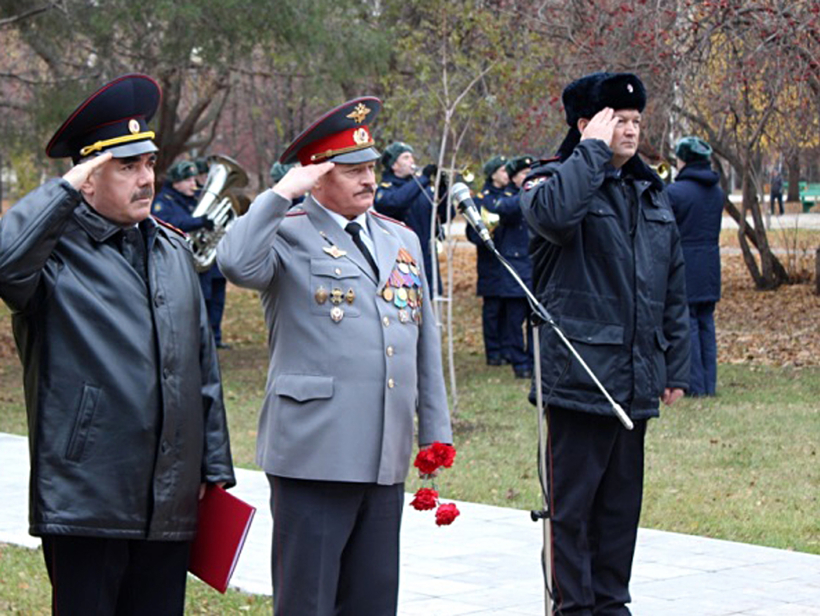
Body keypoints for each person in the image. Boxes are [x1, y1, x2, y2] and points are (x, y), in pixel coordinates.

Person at [0, 73, 235, 615]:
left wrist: (214, 468)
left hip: (170, 498)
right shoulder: (53, 253)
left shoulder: (171, 250)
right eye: (126, 166)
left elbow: (200, 362)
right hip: (89, 497)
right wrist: (64, 188)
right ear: (87, 177)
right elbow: (5, 266)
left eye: (149, 163)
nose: (145, 178)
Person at [217, 97, 452, 616]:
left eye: (369, 167)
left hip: (382, 455)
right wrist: (279, 194)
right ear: (315, 177)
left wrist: (435, 432)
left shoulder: (400, 238)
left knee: (372, 602)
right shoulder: (286, 233)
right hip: (314, 456)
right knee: (308, 602)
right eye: (351, 171)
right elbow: (233, 262)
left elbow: (421, 339)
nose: (368, 180)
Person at [520, 72, 690, 615]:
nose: (632, 130)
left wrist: (675, 367)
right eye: (619, 119)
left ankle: (613, 605)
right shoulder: (552, 183)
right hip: (578, 381)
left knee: (619, 513)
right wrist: (589, 152)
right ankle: (572, 609)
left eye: (637, 120)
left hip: (634, 381)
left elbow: (673, 287)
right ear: (587, 124)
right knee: (571, 514)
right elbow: (554, 219)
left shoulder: (651, 192)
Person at [667, 136, 724, 397]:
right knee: (706, 325)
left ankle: (695, 386)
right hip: (711, 265)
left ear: (684, 160)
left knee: (687, 325)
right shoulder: (717, 192)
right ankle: (709, 385)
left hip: (684, 266)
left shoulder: (675, 193)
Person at [152, 161, 230, 348]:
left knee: (217, 301)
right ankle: (198, 341)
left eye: (194, 179)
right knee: (200, 302)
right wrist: (198, 222)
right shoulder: (163, 202)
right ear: (176, 182)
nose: (193, 183)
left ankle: (215, 339)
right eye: (187, 180)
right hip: (187, 263)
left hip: (209, 260)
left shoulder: (196, 198)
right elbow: (168, 223)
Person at [484, 155, 535, 379]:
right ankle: (519, 363)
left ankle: (535, 362)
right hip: (514, 269)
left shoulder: (537, 195)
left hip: (534, 267)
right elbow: (505, 208)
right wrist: (529, 190)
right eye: (523, 175)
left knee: (536, 322)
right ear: (514, 179)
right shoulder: (505, 197)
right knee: (514, 322)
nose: (528, 178)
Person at [374, 141, 449, 290]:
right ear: (394, 165)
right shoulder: (386, 190)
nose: (412, 161)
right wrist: (424, 178)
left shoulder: (422, 188)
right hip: (402, 260)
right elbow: (397, 202)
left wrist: (443, 191)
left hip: (426, 258)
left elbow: (445, 216)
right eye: (406, 157)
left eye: (412, 157)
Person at [469, 155, 509, 366]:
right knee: (492, 310)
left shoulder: (511, 194)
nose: (507, 174)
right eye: (503, 170)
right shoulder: (480, 199)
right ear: (493, 174)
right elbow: (471, 233)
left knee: (508, 310)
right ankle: (493, 352)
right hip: (490, 263)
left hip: (509, 259)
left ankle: (507, 349)